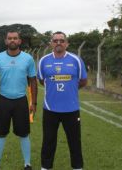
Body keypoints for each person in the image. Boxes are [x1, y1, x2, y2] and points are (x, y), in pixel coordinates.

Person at [37, 31, 87, 170]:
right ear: (51, 43)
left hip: (71, 109)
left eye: (61, 40)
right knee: (48, 141)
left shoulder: (75, 60)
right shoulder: (44, 60)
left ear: (67, 43)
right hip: (50, 109)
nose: (58, 43)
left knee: (74, 142)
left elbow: (83, 81)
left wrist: (70, 89)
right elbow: (42, 80)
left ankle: (77, 167)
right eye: (55, 40)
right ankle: (45, 167)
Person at [0, 31, 38, 170]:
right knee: (0, 133)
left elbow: (33, 81)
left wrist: (33, 102)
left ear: (19, 41)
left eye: (15, 38)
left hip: (21, 101)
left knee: (24, 133)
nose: (12, 40)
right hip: (3, 100)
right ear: (5, 41)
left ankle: (27, 164)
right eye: (10, 38)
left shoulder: (28, 58)